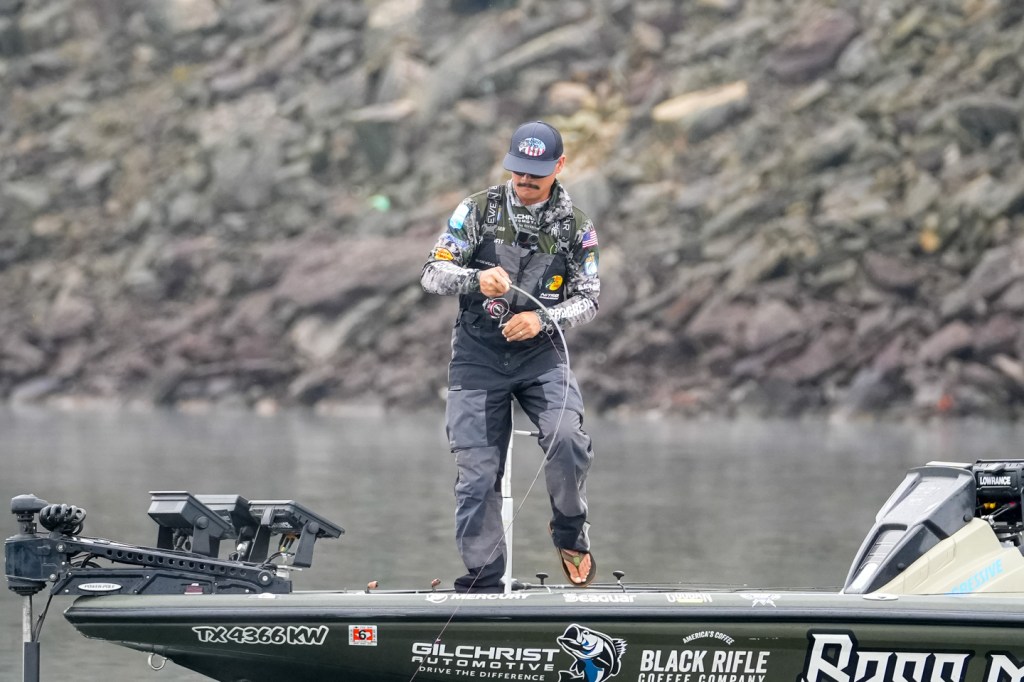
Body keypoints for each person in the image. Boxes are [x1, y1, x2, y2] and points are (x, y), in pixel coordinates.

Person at [420, 120, 601, 592]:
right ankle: (484, 578)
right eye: (517, 170)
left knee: (567, 439)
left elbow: (589, 299)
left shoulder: (577, 227)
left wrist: (543, 320)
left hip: (543, 357)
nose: (524, 180)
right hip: (477, 357)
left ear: (559, 167)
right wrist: (474, 279)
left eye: (535, 173)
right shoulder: (476, 210)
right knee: (477, 475)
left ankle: (569, 532)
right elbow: (432, 273)